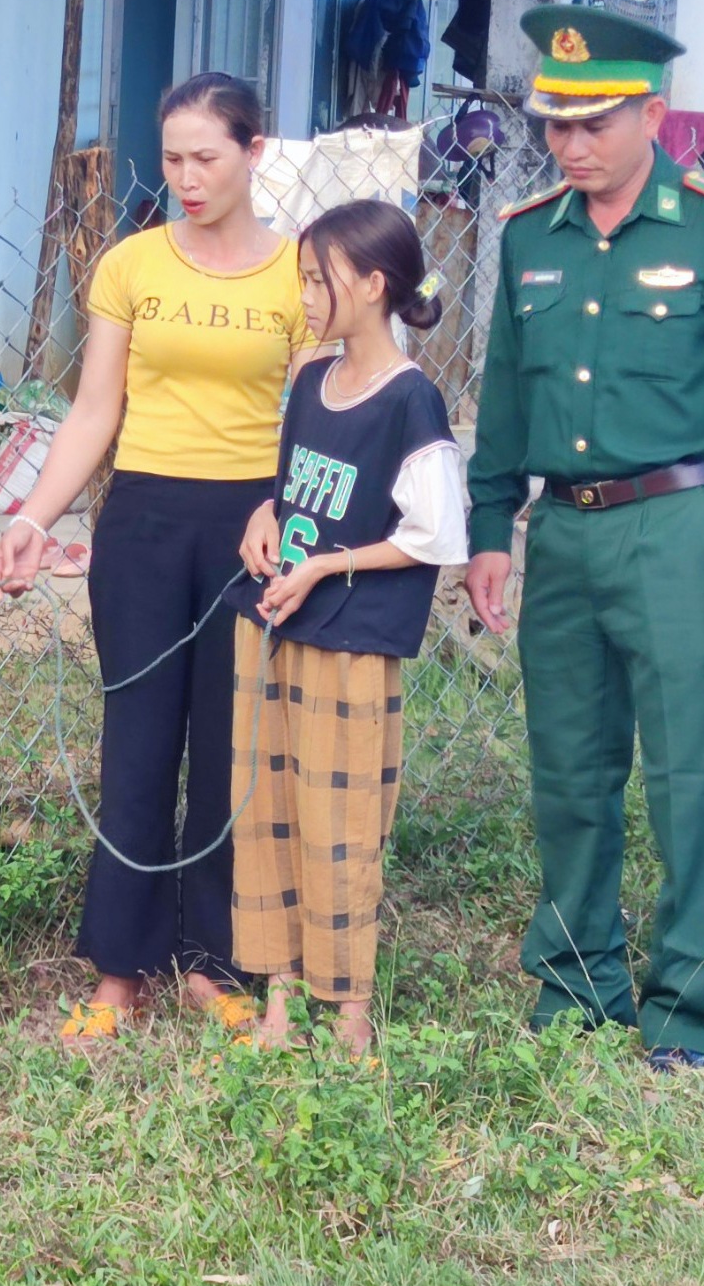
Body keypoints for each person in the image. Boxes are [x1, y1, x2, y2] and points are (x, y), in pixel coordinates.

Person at [465, 6, 704, 1072]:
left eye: (593, 124)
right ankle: (578, 981)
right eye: (553, 125)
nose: (569, 145)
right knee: (568, 772)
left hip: (681, 529)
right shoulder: (530, 234)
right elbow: (502, 408)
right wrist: (489, 529)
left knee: (688, 775)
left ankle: (684, 1008)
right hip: (564, 539)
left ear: (652, 116)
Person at [0, 73, 314, 1041]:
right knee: (136, 742)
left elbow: (307, 421)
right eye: (171, 158)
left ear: (255, 153)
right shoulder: (131, 265)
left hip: (250, 528)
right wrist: (34, 517)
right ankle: (118, 971)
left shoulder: (299, 273)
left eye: (205, 157)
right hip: (141, 519)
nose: (186, 177)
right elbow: (95, 409)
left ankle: (212, 966)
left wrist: (280, 510)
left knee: (227, 746)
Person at [229, 199, 468, 1057]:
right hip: (273, 628)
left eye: (315, 279)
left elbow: (434, 533)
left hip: (349, 639)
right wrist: (264, 511)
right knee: (267, 816)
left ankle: (350, 1010)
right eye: (298, 277)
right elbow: (294, 487)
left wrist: (328, 565)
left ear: (371, 285)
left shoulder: (410, 400)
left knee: (340, 824)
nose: (303, 294)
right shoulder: (308, 380)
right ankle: (279, 1002)